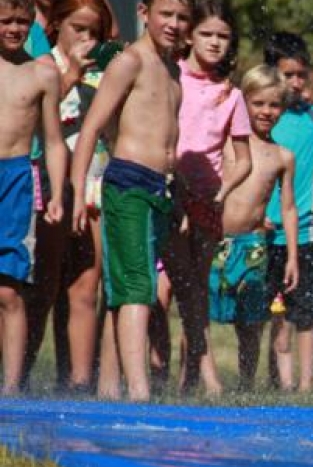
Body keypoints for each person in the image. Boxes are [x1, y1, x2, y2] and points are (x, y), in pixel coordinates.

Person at [68, 0, 192, 402]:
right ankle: (140, 394)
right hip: (128, 183)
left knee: (124, 289)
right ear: (143, 10)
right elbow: (90, 129)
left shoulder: (173, 71)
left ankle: (111, 390)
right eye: (166, 14)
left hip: (158, 188)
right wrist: (74, 194)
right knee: (138, 288)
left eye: (183, 17)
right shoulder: (130, 61)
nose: (174, 24)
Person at [161, 0, 251, 397]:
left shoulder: (231, 94)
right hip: (168, 191)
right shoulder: (171, 75)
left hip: (207, 201)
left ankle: (192, 378)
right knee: (166, 290)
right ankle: (162, 369)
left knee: (195, 291)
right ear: (190, 36)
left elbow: (244, 161)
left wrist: (221, 192)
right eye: (207, 34)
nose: (215, 43)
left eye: (223, 37)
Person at [25, 0, 115, 396]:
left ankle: (78, 382)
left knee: (84, 285)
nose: (87, 39)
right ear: (57, 25)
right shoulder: (43, 67)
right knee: (44, 285)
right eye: (79, 29)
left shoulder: (106, 73)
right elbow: (29, 119)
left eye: (95, 32)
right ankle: (19, 375)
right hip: (53, 184)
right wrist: (72, 75)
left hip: (94, 182)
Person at [209, 64, 298, 391]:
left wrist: (291, 256)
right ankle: (192, 379)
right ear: (243, 101)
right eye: (258, 103)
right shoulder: (227, 143)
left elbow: (288, 207)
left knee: (251, 322)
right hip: (215, 238)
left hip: (253, 245)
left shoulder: (281, 156)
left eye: (274, 105)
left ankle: (246, 385)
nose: (266, 111)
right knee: (197, 315)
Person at [0, 0, 68, 396]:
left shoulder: (42, 72)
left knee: (9, 289)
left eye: (22, 22)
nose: (14, 28)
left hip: (16, 181)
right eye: (5, 21)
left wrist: (57, 192)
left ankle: (11, 391)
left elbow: (55, 141)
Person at [263, 31, 313, 392]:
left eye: (300, 75)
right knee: (273, 313)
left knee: (307, 310)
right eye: (287, 74)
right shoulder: (263, 114)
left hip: (305, 229)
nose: (294, 82)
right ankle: (281, 381)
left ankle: (305, 385)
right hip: (265, 228)